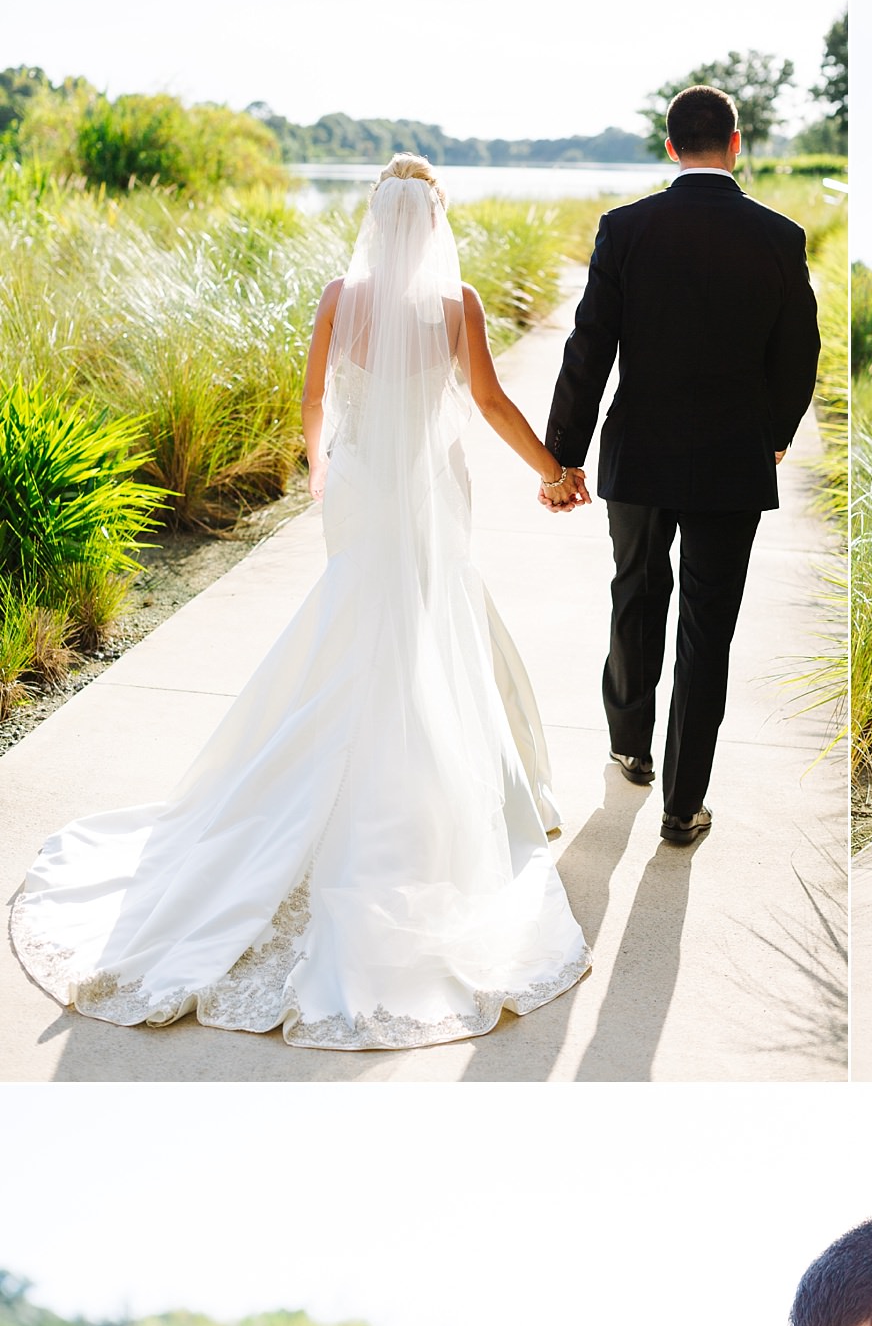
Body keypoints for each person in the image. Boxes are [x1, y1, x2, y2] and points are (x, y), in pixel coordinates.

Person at [11, 157, 588, 1049]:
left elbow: (314, 398)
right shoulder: (456, 307)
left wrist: (323, 469)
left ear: (375, 221)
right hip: (426, 490)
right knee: (422, 630)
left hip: (360, 486)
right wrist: (552, 470)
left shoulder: (337, 297)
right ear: (433, 224)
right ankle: (430, 800)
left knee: (356, 627)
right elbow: (488, 399)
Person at [540, 84, 821, 846]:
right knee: (709, 628)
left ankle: (630, 745)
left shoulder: (627, 228)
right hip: (732, 459)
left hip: (640, 449)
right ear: (735, 145)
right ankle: (681, 804)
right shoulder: (779, 235)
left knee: (635, 592)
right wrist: (775, 435)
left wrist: (561, 454)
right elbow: (799, 351)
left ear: (671, 148)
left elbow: (589, 346)